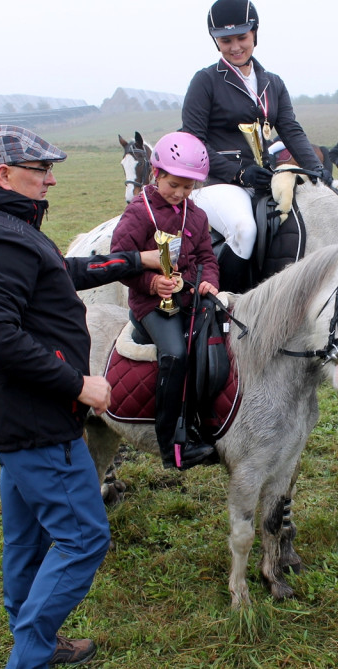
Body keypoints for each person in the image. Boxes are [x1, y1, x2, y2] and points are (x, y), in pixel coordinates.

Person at [0, 125, 163, 668]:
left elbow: (57, 273)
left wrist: (133, 263)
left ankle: (36, 640)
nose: (50, 179)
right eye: (40, 170)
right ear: (3, 175)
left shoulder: (0, 223)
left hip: (15, 419)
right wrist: (80, 384)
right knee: (84, 539)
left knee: (26, 539)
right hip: (39, 420)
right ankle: (30, 654)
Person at [181, 0, 331, 291]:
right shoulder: (206, 81)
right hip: (216, 184)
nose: (235, 47)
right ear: (216, 43)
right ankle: (225, 303)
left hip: (264, 178)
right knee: (245, 230)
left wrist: (317, 170)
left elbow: (290, 129)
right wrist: (238, 173)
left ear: (255, 34)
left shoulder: (272, 83)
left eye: (242, 37)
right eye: (226, 41)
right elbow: (193, 142)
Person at [110, 132, 221, 470]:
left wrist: (209, 284)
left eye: (188, 187)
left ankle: (211, 421)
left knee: (219, 342)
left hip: (189, 297)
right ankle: (171, 443)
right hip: (150, 305)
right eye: (174, 184)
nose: (180, 193)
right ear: (156, 174)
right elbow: (119, 261)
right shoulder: (138, 214)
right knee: (174, 353)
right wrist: (151, 282)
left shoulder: (197, 216)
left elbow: (207, 258)